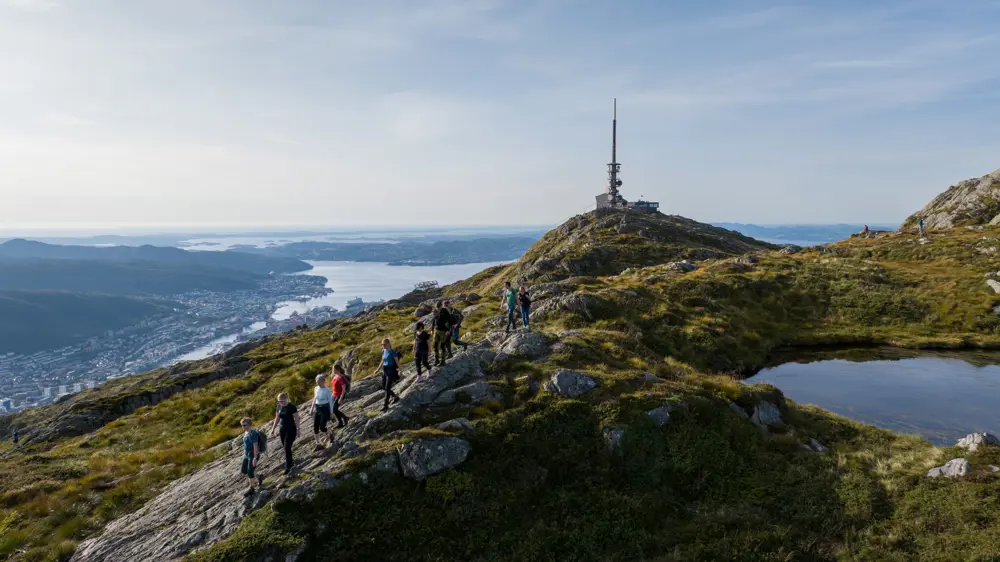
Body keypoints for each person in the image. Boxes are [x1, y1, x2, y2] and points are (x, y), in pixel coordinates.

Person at [269, 393, 300, 475]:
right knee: (285, 447)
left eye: (282, 401)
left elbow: (297, 418)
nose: (280, 402)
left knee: (287, 447)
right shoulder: (279, 406)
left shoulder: (291, 407)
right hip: (282, 429)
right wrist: (273, 428)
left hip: (291, 429)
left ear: (287, 399)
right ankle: (291, 462)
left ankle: (289, 466)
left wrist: (298, 429)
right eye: (279, 401)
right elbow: (277, 418)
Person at [239, 417, 264, 496]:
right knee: (244, 470)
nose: (243, 427)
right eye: (242, 425)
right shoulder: (246, 433)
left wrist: (255, 458)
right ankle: (258, 476)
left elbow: (255, 446)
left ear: (249, 425)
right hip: (247, 455)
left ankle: (252, 488)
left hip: (253, 454)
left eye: (245, 425)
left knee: (250, 472)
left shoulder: (253, 434)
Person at [309, 374, 334, 450]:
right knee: (315, 427)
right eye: (317, 382)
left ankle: (330, 432)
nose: (318, 383)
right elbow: (314, 398)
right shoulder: (316, 388)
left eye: (319, 382)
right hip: (318, 408)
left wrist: (331, 412)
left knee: (322, 427)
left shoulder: (327, 390)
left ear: (323, 381)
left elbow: (331, 401)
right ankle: (318, 444)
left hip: (325, 408)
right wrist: (311, 408)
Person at [378, 338, 402, 411]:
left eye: (384, 344)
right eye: (382, 344)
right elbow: (382, 360)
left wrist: (400, 370)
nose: (383, 345)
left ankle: (385, 405)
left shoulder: (392, 352)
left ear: (388, 344)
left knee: (387, 388)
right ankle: (395, 396)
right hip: (384, 370)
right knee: (383, 386)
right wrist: (377, 369)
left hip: (391, 370)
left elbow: (397, 361)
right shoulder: (383, 351)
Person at [433, 301, 452, 366]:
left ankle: (443, 361)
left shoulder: (444, 311)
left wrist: (448, 330)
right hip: (436, 330)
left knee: (442, 346)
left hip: (443, 331)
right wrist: (432, 329)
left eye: (439, 307)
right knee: (435, 345)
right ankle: (436, 360)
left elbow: (450, 320)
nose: (437, 309)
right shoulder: (435, 311)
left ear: (441, 306)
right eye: (436, 308)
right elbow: (434, 320)